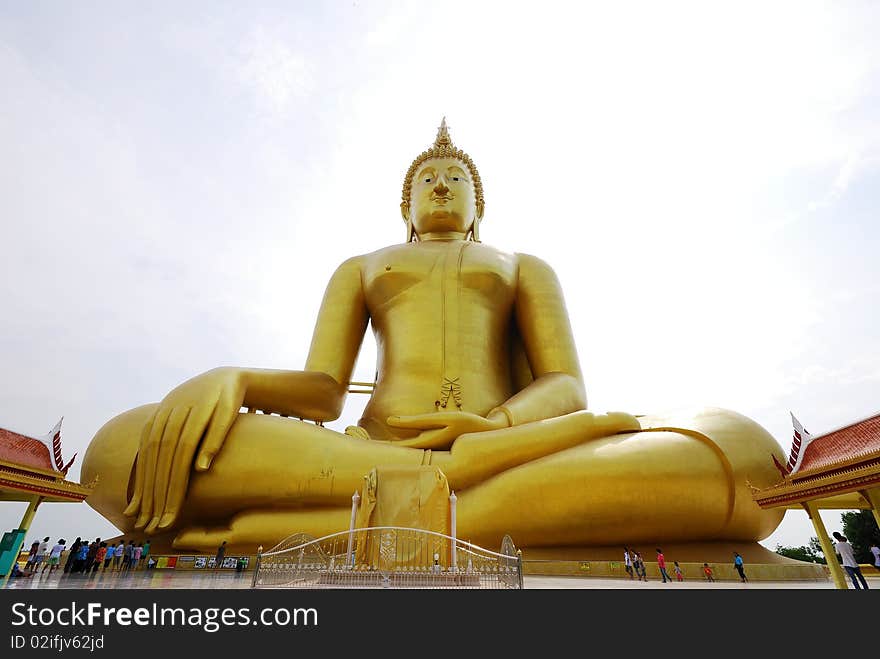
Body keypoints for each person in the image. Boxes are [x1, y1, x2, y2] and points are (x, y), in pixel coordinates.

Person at [82, 120, 787, 554]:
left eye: (456, 177)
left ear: (480, 205)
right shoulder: (361, 266)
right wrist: (236, 378)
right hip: (367, 449)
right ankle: (446, 493)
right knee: (120, 452)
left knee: (744, 451)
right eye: (428, 178)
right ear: (406, 203)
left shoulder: (520, 266)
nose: (442, 184)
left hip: (506, 447)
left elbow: (568, 387)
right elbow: (324, 394)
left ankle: (371, 514)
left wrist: (492, 426)